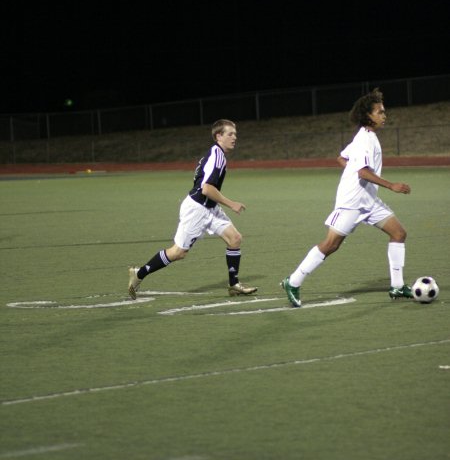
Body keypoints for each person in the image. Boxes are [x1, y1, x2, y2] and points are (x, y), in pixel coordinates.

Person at [281, 88, 413, 307]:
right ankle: (293, 281)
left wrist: (353, 171)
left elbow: (342, 158)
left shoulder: (366, 136)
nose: (384, 115)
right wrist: (392, 186)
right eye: (380, 112)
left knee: (398, 233)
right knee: (331, 244)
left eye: (383, 111)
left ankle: (397, 286)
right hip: (352, 202)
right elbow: (362, 171)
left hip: (368, 200)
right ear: (367, 115)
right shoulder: (365, 139)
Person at [128, 118, 257, 299]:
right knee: (178, 252)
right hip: (197, 209)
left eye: (235, 133)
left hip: (210, 208)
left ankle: (234, 284)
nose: (235, 137)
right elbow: (207, 188)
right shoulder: (217, 155)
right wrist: (232, 203)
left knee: (235, 239)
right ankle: (139, 273)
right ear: (218, 136)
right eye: (230, 134)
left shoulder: (217, 154)